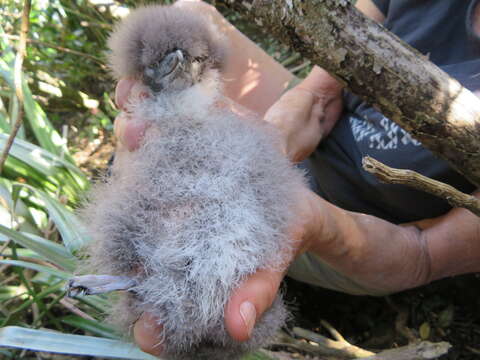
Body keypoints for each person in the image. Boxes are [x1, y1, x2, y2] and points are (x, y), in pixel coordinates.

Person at [113, 0, 480, 355]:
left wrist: (323, 224)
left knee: (201, 292)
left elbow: (423, 254)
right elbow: (319, 97)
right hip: (305, 153)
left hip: (355, 226)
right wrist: (263, 151)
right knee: (185, 21)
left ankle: (181, 240)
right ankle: (157, 172)